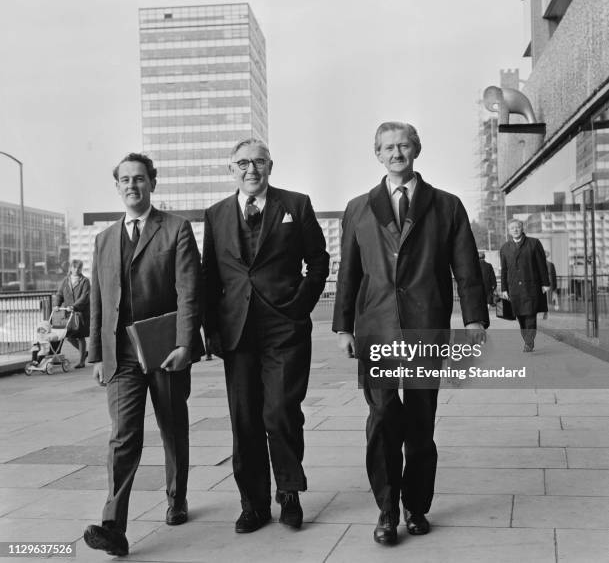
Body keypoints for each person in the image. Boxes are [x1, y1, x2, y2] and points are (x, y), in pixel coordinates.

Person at [332, 121, 488, 545]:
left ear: (416, 150)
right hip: (376, 329)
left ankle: (416, 506)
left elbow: (466, 268)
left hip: (425, 326)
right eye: (388, 147)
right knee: (382, 419)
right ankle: (386, 509)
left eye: (403, 145)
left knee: (420, 422)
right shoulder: (358, 208)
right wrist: (343, 325)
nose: (396, 153)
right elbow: (348, 272)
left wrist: (474, 321)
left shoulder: (446, 205)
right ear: (377, 155)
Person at [201, 138, 329, 534]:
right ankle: (252, 504)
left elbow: (319, 261)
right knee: (245, 420)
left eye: (258, 162)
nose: (250, 170)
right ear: (231, 170)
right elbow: (209, 277)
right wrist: (210, 330)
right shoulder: (216, 214)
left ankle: (289, 493)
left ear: (270, 165)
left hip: (284, 328)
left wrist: (299, 306)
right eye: (242, 163)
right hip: (237, 331)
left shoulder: (296, 204)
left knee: (281, 412)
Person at [83, 153, 202, 557]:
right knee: (123, 436)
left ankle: (176, 497)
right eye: (125, 180)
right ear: (117, 187)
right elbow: (98, 302)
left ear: (152, 183)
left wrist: (186, 344)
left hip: (164, 348)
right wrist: (97, 355)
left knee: (172, 427)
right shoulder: (103, 240)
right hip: (121, 356)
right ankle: (113, 524)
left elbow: (189, 291)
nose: (132, 186)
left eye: (139, 179)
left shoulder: (176, 229)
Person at [499, 219, 550, 351]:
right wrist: (504, 288)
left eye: (517, 227)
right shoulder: (505, 248)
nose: (515, 230)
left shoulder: (534, 243)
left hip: (531, 286)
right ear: (509, 231)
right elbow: (504, 270)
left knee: (530, 314)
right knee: (521, 316)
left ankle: (529, 341)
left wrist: (545, 283)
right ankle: (527, 339)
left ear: (522, 228)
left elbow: (542, 264)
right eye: (512, 228)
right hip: (514, 288)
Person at [54, 259, 90, 368]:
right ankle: (83, 353)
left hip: (80, 313)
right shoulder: (66, 280)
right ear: (71, 268)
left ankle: (81, 362)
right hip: (68, 314)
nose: (76, 270)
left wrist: (74, 306)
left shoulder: (85, 281)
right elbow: (59, 294)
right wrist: (57, 305)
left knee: (80, 336)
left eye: (79, 268)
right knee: (68, 336)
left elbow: (84, 297)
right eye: (74, 267)